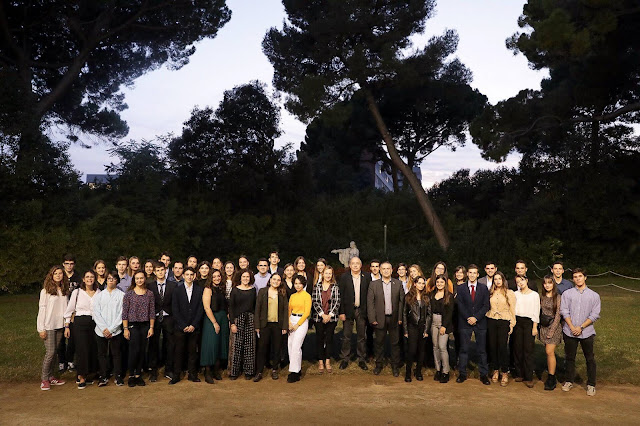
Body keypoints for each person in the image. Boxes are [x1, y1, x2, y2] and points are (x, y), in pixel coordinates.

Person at [560, 268, 600, 397]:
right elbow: (564, 311)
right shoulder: (567, 294)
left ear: (585, 277)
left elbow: (595, 314)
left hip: (587, 332)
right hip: (569, 331)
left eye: (580, 276)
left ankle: (591, 384)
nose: (578, 279)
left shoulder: (594, 296)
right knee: (570, 357)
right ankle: (569, 381)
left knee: (590, 359)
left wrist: (581, 327)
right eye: (575, 277)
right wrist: (572, 327)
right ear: (573, 279)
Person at [64, 270, 101, 389]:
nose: (90, 279)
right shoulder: (77, 292)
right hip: (80, 322)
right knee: (82, 349)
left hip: (94, 322)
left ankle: (89, 373)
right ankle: (81, 376)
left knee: (92, 348)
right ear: (83, 279)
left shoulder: (98, 292)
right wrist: (67, 325)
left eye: (92, 277)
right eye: (87, 277)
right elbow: (70, 309)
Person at [367, 261, 404, 377]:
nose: (386, 271)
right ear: (380, 270)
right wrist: (372, 318)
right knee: (379, 343)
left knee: (395, 344)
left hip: (394, 319)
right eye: (383, 269)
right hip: (379, 319)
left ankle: (395, 366)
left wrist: (400, 318)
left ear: (392, 270)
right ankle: (378, 365)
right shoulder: (374, 284)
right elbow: (370, 303)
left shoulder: (398, 284)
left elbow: (401, 302)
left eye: (388, 268)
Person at [456, 264, 490, 385]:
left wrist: (476, 317)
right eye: (470, 272)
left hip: (480, 322)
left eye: (474, 273)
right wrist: (468, 317)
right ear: (467, 274)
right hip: (465, 322)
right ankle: (462, 373)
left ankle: (484, 374)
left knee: (481, 350)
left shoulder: (483, 288)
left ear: (478, 275)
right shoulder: (461, 288)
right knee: (464, 349)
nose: (472, 275)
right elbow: (460, 305)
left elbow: (486, 305)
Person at [169, 267, 204, 384]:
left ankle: (192, 374)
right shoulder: (177, 290)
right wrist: (183, 325)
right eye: (187, 274)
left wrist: (194, 324)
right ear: (183, 276)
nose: (189, 277)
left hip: (194, 327)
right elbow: (175, 309)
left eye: (191, 274)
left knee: (192, 352)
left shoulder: (199, 290)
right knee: (178, 352)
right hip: (180, 327)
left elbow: (200, 309)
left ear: (194, 276)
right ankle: (176, 375)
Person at [38, 266, 69, 391]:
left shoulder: (64, 290)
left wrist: (66, 324)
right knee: (50, 352)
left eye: (60, 273)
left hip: (60, 325)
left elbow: (66, 309)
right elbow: (42, 310)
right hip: (49, 325)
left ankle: (51, 377)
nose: (58, 275)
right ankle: (44, 379)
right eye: (55, 273)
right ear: (51, 275)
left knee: (55, 351)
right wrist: (41, 328)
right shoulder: (45, 291)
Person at [122, 271, 155, 387]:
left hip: (145, 325)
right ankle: (131, 375)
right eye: (137, 278)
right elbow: (125, 313)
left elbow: (152, 312)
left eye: (141, 278)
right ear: (134, 280)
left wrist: (151, 327)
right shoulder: (129, 294)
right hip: (133, 325)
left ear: (145, 279)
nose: (139, 280)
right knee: (133, 350)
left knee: (142, 350)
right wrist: (125, 328)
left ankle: (138, 374)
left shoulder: (149, 294)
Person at [254, 273, 288, 381]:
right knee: (262, 348)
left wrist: (285, 326)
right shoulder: (263, 291)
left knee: (277, 348)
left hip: (277, 325)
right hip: (265, 324)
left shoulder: (282, 293)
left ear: (280, 282)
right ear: (270, 280)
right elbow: (257, 309)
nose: (276, 281)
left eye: (278, 280)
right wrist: (257, 325)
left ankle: (274, 370)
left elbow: (285, 310)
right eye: (274, 279)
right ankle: (259, 371)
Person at [93, 271, 125, 387]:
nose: (111, 281)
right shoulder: (99, 296)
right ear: (106, 280)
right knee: (102, 354)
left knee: (116, 354)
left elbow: (122, 314)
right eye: (109, 278)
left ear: (117, 280)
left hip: (115, 330)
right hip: (101, 330)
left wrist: (111, 329)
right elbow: (96, 313)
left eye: (114, 278)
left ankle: (118, 376)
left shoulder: (122, 295)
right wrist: (104, 329)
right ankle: (103, 376)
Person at [338, 256, 370, 370]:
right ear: (350, 265)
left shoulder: (367, 276)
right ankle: (345, 359)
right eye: (353, 263)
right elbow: (341, 295)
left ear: (361, 265)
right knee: (346, 336)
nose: (355, 265)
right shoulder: (344, 277)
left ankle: (361, 359)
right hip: (348, 311)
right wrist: (341, 312)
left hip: (361, 310)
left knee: (361, 336)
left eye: (357, 263)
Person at [148, 262, 177, 382]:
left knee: (170, 345)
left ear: (165, 270)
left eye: (162, 270)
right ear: (154, 272)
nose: (160, 272)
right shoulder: (150, 286)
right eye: (158, 270)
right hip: (154, 318)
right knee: (153, 345)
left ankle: (168, 369)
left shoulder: (173, 285)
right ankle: (153, 371)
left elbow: (175, 303)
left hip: (169, 317)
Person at [486, 271, 515, 386]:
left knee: (502, 347)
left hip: (504, 320)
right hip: (491, 320)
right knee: (493, 346)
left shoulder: (509, 293)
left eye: (499, 279)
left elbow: (512, 309)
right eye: (495, 279)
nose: (497, 281)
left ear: (503, 280)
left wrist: (512, 324)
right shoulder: (490, 292)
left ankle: (505, 372)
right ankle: (495, 370)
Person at [201, 269, 230, 383]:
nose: (217, 278)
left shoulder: (222, 289)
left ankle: (216, 371)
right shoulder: (208, 289)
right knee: (210, 345)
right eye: (214, 277)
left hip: (223, 318)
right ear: (210, 278)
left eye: (218, 276)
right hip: (212, 319)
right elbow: (207, 307)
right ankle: (207, 372)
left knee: (220, 344)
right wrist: (214, 322)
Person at [228, 269, 257, 380]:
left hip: (250, 319)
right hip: (237, 319)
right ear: (240, 278)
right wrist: (232, 323)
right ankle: (234, 372)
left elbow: (255, 307)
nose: (245, 278)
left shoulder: (253, 290)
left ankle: (249, 371)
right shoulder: (235, 290)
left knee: (249, 345)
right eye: (244, 276)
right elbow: (231, 308)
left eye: (247, 277)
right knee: (236, 345)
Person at [312, 265, 341, 373]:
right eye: (326, 273)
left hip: (331, 318)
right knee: (319, 339)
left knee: (329, 339)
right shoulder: (317, 286)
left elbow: (337, 302)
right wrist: (322, 315)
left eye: (330, 273)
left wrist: (329, 315)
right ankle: (320, 361)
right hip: (318, 318)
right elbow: (315, 301)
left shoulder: (335, 287)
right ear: (322, 274)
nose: (328, 275)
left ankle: (327, 361)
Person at [513, 276, 540, 388]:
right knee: (518, 348)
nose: (520, 283)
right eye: (518, 282)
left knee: (528, 349)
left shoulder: (534, 295)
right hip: (517, 322)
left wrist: (535, 327)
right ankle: (519, 374)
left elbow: (536, 311)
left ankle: (529, 377)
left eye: (522, 280)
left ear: (527, 280)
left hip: (529, 323)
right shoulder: (515, 294)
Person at [403, 275, 431, 382]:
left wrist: (426, 330)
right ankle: (408, 372)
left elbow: (429, 315)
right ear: (414, 284)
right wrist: (405, 330)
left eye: (423, 283)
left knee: (421, 351)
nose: (421, 285)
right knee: (411, 350)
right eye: (419, 283)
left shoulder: (426, 297)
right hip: (412, 326)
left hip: (422, 326)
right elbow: (404, 314)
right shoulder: (408, 297)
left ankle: (418, 371)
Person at [539, 275, 562, 390]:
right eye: (545, 283)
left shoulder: (558, 297)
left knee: (549, 351)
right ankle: (550, 372)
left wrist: (552, 331)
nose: (547, 285)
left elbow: (558, 315)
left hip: (554, 327)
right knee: (548, 352)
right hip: (544, 327)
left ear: (553, 284)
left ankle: (551, 377)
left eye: (550, 283)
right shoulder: (542, 297)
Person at [287, 275, 312, 383]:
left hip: (301, 322)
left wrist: (297, 324)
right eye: (296, 283)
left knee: (296, 346)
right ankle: (297, 369)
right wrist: (289, 323)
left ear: (303, 284)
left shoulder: (307, 296)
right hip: (291, 320)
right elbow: (289, 310)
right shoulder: (292, 296)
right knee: (290, 345)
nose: (297, 286)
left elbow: (307, 313)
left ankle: (294, 372)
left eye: (300, 283)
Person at [430, 274, 454, 383]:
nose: (439, 284)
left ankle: (446, 371)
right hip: (433, 322)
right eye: (438, 282)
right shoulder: (432, 294)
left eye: (442, 282)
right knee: (435, 346)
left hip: (444, 322)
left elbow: (450, 313)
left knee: (442, 346)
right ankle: (438, 369)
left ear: (445, 284)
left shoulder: (449, 296)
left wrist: (444, 325)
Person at [60, 254, 81, 373]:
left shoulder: (78, 277)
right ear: (63, 264)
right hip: (60, 308)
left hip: (73, 310)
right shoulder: (60, 276)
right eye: (67, 263)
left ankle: (70, 360)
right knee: (61, 339)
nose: (69, 266)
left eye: (71, 263)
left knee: (72, 337)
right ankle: (61, 362)